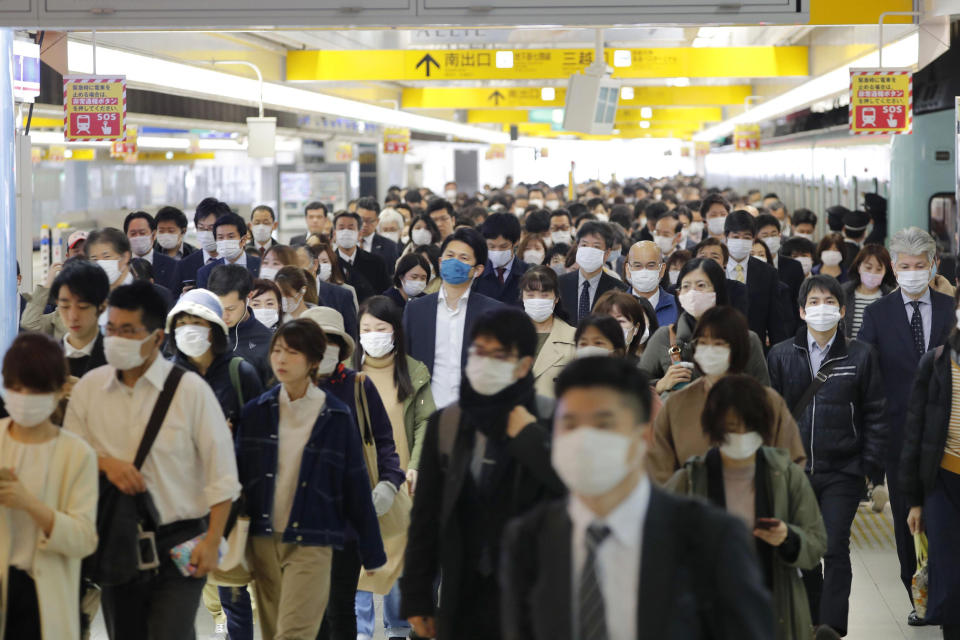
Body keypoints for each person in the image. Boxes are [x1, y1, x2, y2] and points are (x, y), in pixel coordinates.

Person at [500, 357, 774, 640]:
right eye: (569, 424)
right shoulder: (528, 541)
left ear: (643, 435)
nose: (584, 440)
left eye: (603, 424)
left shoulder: (712, 537)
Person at [63, 281, 240, 639]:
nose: (116, 339)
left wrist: (213, 539)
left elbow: (222, 474)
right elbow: (68, 456)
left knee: (170, 631)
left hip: (182, 542)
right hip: (115, 538)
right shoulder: (89, 389)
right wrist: (105, 464)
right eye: (111, 329)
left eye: (128, 331)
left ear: (158, 338)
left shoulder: (190, 392)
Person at [400, 308, 566, 640]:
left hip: (536, 599)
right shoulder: (447, 424)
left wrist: (532, 441)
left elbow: (576, 498)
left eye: (498, 355)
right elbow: (426, 518)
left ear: (523, 365)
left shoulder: (552, 422)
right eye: (478, 351)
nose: (484, 362)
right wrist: (417, 598)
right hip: (463, 594)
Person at [236, 319, 386, 640]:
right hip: (263, 539)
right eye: (276, 351)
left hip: (313, 539)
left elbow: (356, 485)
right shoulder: (255, 412)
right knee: (274, 632)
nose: (280, 359)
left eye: (292, 352)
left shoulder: (335, 415)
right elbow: (238, 479)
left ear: (314, 361)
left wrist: (372, 550)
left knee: (295, 633)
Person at [767, 275, 886, 638]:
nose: (823, 309)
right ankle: (812, 620)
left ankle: (831, 627)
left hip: (843, 470)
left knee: (834, 547)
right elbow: (772, 414)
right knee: (803, 550)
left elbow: (876, 413)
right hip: (795, 471)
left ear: (842, 310)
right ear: (802, 311)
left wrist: (870, 469)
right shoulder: (782, 354)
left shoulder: (861, 355)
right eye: (814, 303)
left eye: (829, 302)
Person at [666, 374, 826, 640]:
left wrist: (788, 538)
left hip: (773, 609)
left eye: (747, 428)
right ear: (714, 429)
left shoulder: (786, 476)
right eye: (730, 427)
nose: (739, 435)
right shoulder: (691, 480)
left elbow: (817, 542)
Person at [858, 227, 956, 625]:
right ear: (893, 269)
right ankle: (918, 596)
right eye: (905, 266)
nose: (913, 272)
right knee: (907, 520)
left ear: (934, 264)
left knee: (947, 520)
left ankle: (949, 596)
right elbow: (866, 375)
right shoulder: (877, 314)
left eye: (921, 265)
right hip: (899, 436)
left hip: (950, 439)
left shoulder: (953, 310)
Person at [296, 306, 404, 640]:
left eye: (330, 341)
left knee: (340, 605)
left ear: (341, 348)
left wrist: (389, 482)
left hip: (347, 516)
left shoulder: (359, 386)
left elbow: (385, 441)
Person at [166, 289, 263, 640]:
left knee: (233, 595)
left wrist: (225, 440)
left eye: (197, 323)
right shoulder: (167, 377)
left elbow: (259, 441)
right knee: (177, 598)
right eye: (182, 324)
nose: (189, 330)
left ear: (215, 329)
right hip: (178, 507)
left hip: (230, 505)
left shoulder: (240, 373)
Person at [0, 332, 98, 640]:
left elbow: (84, 539)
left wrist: (30, 503)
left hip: (44, 595)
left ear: (59, 390)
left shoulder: (76, 452)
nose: (24, 397)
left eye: (35, 389)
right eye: (15, 388)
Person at [353, 296, 436, 640]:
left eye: (380, 328)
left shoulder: (413, 370)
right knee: (357, 556)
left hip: (402, 480)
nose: (373, 335)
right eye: (366, 329)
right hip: (357, 479)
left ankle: (398, 628)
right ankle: (358, 630)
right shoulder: (348, 372)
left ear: (395, 332)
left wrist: (416, 465)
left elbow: (425, 422)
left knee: (400, 555)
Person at [647, 305, 803, 484]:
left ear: (737, 348)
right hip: (693, 507)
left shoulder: (767, 401)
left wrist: (777, 497)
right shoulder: (677, 404)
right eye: (703, 343)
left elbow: (793, 462)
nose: (710, 350)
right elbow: (660, 469)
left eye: (719, 344)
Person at [902, 288, 960, 640]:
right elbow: (915, 433)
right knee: (949, 581)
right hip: (943, 482)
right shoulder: (938, 360)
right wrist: (915, 501)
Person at [403, 227, 503, 409]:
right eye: (449, 256)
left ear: (478, 269)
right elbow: (405, 363)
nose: (454, 262)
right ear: (440, 262)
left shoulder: (494, 313)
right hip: (427, 413)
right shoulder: (416, 310)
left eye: (463, 258)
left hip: (474, 413)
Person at [640, 258, 770, 394]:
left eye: (701, 285)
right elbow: (636, 386)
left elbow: (764, 394)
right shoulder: (666, 337)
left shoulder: (746, 339)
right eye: (686, 286)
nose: (692, 292)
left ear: (718, 291)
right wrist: (660, 384)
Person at [723, 210, 789, 347]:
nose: (741, 241)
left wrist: (778, 354)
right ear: (726, 237)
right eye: (736, 237)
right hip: (720, 345)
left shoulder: (767, 272)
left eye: (746, 237)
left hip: (755, 347)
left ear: (754, 239)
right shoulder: (715, 269)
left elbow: (775, 319)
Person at [207, 264, 276, 385]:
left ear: (249, 297)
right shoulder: (201, 330)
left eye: (231, 308)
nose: (224, 316)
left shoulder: (268, 342)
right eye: (218, 308)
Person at [520, 266, 576, 398]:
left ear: (556, 298)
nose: (537, 301)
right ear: (522, 297)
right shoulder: (506, 335)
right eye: (530, 295)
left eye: (544, 295)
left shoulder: (574, 338)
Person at [558, 221, 629, 324]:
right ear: (577, 247)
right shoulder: (559, 284)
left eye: (596, 246)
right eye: (584, 245)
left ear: (607, 253)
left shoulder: (619, 290)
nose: (589, 251)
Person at [51, 260, 110, 379]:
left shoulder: (118, 361)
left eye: (83, 307)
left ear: (102, 307)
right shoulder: (46, 361)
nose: (73, 316)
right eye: (65, 306)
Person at [174, 197, 232, 294]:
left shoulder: (237, 260)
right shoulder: (184, 265)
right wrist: (183, 298)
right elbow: (172, 299)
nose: (206, 233)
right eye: (201, 228)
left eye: (211, 228)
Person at [334, 211, 391, 303]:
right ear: (334, 234)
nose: (346, 232)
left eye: (351, 228)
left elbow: (385, 295)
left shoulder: (376, 262)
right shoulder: (328, 263)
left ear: (359, 234)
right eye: (341, 228)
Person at [841, 245, 896, 339]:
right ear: (859, 267)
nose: (873, 273)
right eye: (868, 267)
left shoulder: (891, 297)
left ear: (885, 271)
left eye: (879, 269)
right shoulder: (843, 293)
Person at [474, 212, 529, 307]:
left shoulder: (529, 273)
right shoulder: (476, 274)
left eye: (503, 246)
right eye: (491, 246)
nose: (497, 251)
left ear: (516, 242)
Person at [197, 211, 262, 289]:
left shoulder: (261, 266)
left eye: (231, 237)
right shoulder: (206, 272)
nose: (225, 241)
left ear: (243, 240)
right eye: (220, 237)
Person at [624, 240, 679, 326]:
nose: (644, 272)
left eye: (651, 265)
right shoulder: (615, 307)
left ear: (662, 269)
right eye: (638, 266)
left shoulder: (678, 306)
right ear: (628, 269)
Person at [594, 290, 658, 359]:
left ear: (636, 328)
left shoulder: (643, 367)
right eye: (606, 321)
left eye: (620, 321)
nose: (613, 326)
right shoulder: (584, 366)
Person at [124, 210, 178, 291]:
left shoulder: (172, 265)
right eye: (133, 233)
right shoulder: (121, 265)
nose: (137, 237)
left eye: (142, 233)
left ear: (154, 235)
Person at [357, 197, 401, 276]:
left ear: (377, 221)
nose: (364, 225)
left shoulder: (389, 246)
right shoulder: (346, 242)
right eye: (361, 220)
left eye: (369, 221)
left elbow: (392, 276)